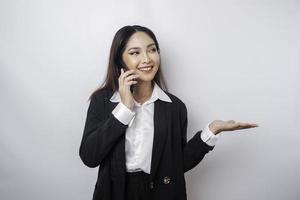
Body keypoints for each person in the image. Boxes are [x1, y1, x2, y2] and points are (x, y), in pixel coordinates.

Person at [79, 25, 258, 200]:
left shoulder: (175, 107)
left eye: (152, 50)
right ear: (120, 60)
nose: (147, 58)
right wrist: (125, 109)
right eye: (135, 52)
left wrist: (211, 131)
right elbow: (89, 157)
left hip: (160, 192)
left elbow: (177, 164)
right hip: (114, 192)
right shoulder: (102, 101)